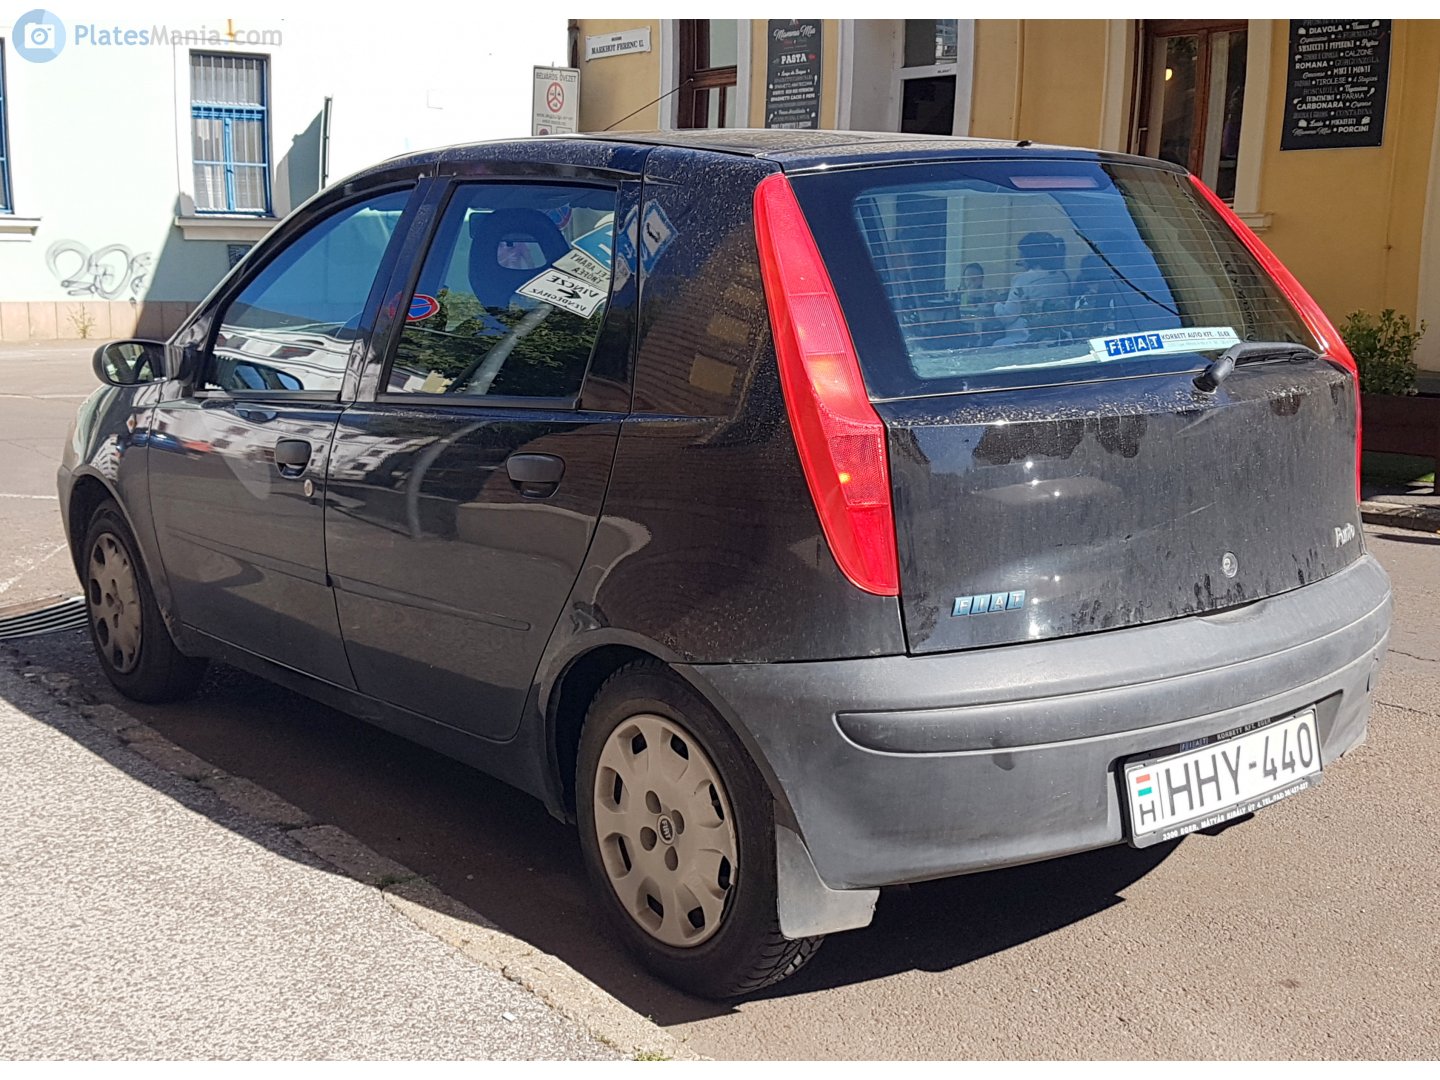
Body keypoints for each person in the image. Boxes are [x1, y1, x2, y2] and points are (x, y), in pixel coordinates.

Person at [994, 232, 1070, 345]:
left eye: (1022, 255)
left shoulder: (1023, 279)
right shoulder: (1062, 277)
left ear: (1030, 256)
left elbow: (1007, 316)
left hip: (1024, 340)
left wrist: (996, 304)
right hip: (1054, 339)